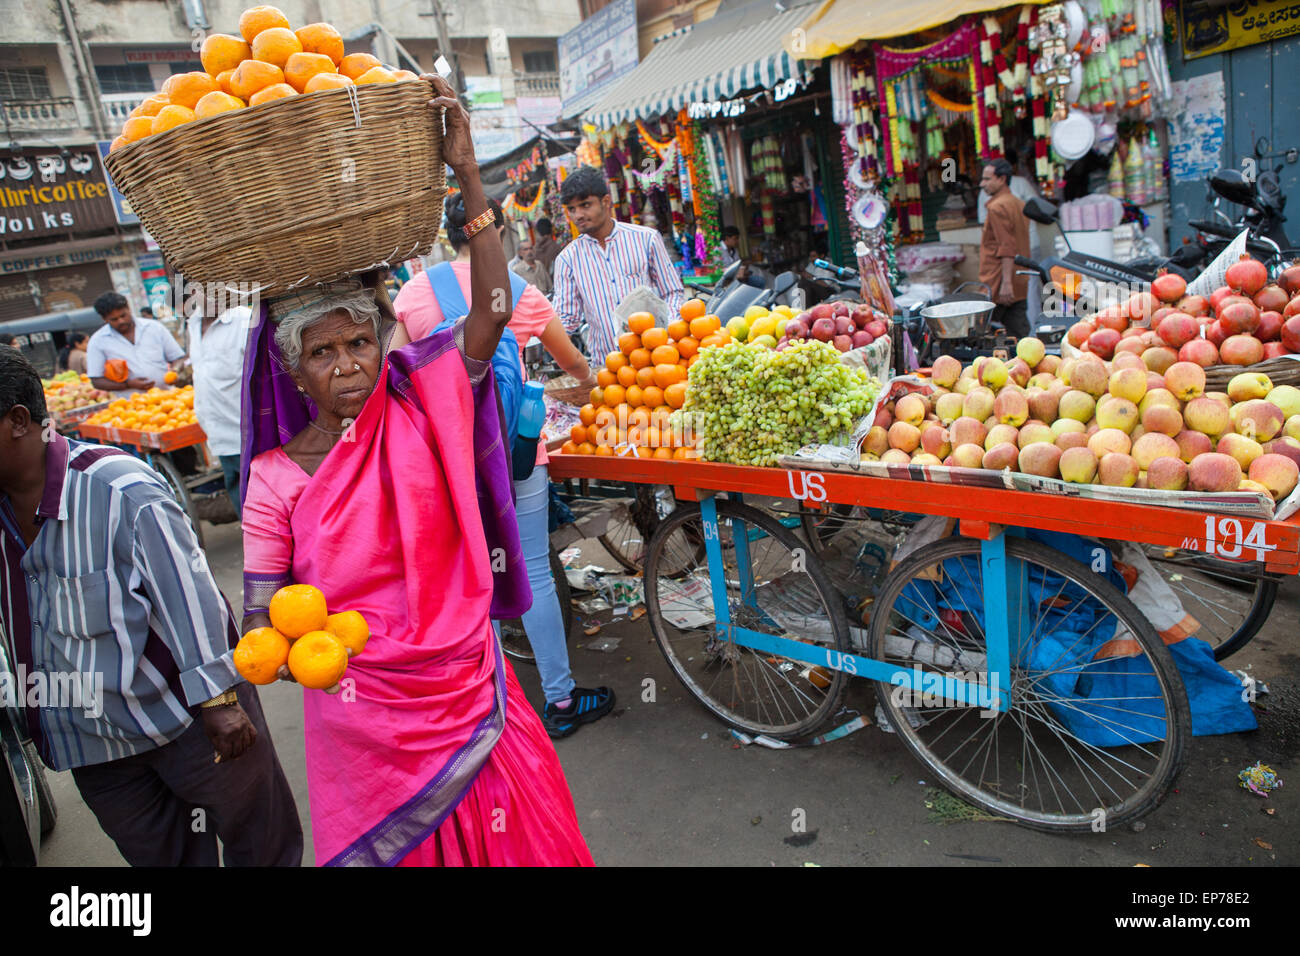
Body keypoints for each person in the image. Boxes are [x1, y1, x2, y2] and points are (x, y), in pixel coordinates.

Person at [239, 74, 593, 866]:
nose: (347, 367)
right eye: (322, 354)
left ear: (382, 344)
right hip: (364, 716)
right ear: (294, 374)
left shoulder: (424, 401)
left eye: (359, 344)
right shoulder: (273, 479)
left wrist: (468, 175)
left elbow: (494, 310)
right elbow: (263, 624)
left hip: (464, 681)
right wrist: (306, 647)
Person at [0, 347, 302, 866]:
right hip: (93, 742)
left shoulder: (118, 488)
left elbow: (189, 592)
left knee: (261, 843)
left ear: (18, 422)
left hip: (187, 718)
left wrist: (218, 701)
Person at [390, 195, 613, 740]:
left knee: (472, 577)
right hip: (514, 456)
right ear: (503, 233)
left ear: (448, 235)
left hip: (448, 461)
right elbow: (578, 368)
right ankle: (560, 701)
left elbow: (394, 380)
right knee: (532, 569)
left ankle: (489, 707)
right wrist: (562, 388)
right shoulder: (518, 291)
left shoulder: (415, 292)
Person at [551, 165, 686, 362]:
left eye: (585, 205)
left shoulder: (646, 239)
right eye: (572, 209)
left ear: (606, 201)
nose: (578, 215)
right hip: (607, 365)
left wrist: (669, 329)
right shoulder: (567, 259)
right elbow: (567, 318)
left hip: (655, 357)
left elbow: (672, 292)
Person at [188, 304, 249, 515]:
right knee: (242, 503)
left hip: (249, 434)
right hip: (219, 436)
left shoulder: (244, 320)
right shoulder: (193, 322)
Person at [86, 291, 186, 393]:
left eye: (123, 315)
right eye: (114, 319)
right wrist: (127, 385)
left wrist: (175, 371)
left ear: (128, 308)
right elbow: (96, 380)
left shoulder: (154, 328)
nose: (121, 321)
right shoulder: (98, 341)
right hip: (131, 404)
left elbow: (178, 358)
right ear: (104, 319)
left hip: (168, 398)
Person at [979, 158, 1032, 340]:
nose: (982, 184)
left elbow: (1007, 247)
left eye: (987, 179)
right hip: (1018, 279)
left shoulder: (997, 207)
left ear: (1001, 179)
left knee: (984, 334)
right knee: (1018, 331)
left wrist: (1006, 283)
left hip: (999, 281)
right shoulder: (1018, 204)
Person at [977, 149, 1040, 258]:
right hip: (1004, 250)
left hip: (1028, 244)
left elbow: (1037, 207)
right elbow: (984, 224)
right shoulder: (985, 192)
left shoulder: (1021, 183)